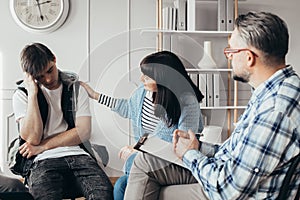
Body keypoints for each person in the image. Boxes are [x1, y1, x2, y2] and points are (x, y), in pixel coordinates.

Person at [124, 11, 300, 200]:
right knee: (144, 163)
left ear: (249, 58)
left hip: (234, 192)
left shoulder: (274, 111)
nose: (229, 57)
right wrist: (198, 146)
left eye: (231, 51)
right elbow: (231, 152)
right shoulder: (272, 91)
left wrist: (190, 154)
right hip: (232, 177)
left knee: (157, 192)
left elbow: (227, 191)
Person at [80, 50, 205, 200]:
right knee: (121, 184)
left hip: (177, 163)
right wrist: (95, 95)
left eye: (146, 77)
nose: (141, 79)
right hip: (147, 159)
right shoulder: (143, 92)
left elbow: (183, 144)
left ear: (163, 79)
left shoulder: (187, 100)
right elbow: (127, 108)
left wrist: (138, 150)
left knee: (128, 175)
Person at [12, 43, 113, 200]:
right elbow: (32, 139)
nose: (47, 79)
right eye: (39, 76)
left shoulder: (76, 88)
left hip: (78, 155)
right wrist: (33, 94)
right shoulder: (22, 95)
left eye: (49, 70)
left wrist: (43, 146)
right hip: (42, 161)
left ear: (54, 59)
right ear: (30, 76)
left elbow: (83, 132)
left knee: (104, 194)